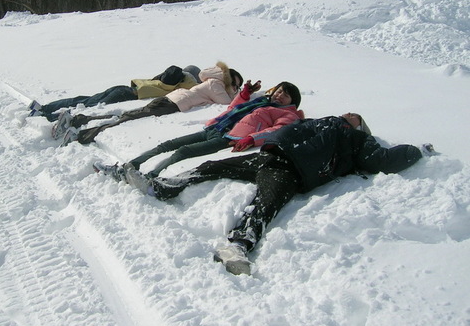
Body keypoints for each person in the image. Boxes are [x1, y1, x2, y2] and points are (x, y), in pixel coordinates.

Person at [101, 113, 429, 275]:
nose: (347, 117)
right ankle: (161, 187)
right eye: (348, 115)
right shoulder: (319, 122)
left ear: (359, 127)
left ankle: (237, 246)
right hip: (269, 155)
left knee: (266, 203)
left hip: (291, 170)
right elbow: (277, 130)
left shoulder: (354, 141)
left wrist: (419, 150)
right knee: (214, 165)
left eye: (354, 119)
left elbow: (384, 160)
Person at [93, 80, 304, 180]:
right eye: (279, 91)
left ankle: (150, 176)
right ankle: (130, 166)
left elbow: (275, 131)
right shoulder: (260, 102)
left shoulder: (288, 115)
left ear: (291, 102)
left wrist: (251, 138)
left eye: (285, 96)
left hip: (227, 138)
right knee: (166, 145)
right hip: (215, 127)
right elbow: (232, 109)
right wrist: (245, 94)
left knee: (183, 152)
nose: (279, 96)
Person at [59, 62, 244, 146]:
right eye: (235, 84)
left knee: (128, 116)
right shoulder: (215, 84)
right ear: (227, 79)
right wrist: (244, 94)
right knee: (126, 119)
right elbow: (227, 103)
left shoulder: (211, 83)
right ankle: (80, 135)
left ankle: (80, 120)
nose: (235, 88)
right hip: (172, 103)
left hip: (171, 100)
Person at [28, 65, 202, 122]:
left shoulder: (166, 76)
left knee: (84, 100)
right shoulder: (184, 84)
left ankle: (44, 109)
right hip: (125, 96)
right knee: (89, 106)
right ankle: (48, 116)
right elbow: (196, 91)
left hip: (123, 89)